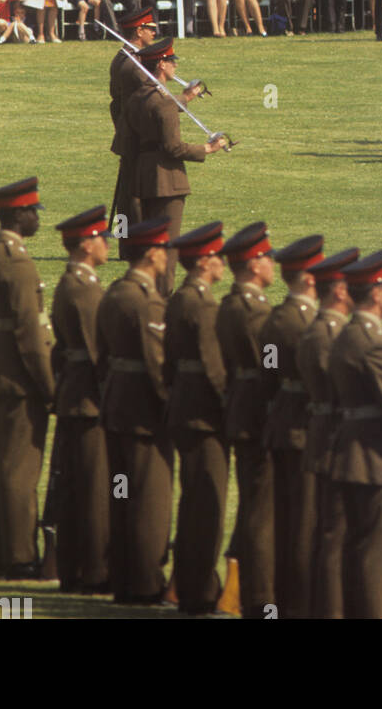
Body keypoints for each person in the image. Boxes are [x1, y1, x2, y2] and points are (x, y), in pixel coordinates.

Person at [0, 178, 54, 579]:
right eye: (32, 212)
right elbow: (30, 335)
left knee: (5, 463)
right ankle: (20, 555)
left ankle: (1, 551)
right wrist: (49, 386)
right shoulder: (18, 261)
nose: (35, 218)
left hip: (3, 374)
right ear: (18, 215)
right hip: (22, 379)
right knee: (20, 470)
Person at [96, 216, 173, 606]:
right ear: (154, 253)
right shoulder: (148, 301)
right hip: (144, 414)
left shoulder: (114, 292)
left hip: (115, 407)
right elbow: (157, 364)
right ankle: (144, 581)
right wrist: (170, 409)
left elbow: (100, 353)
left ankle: (123, 577)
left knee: (121, 495)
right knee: (149, 500)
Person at [327, 248, 382, 620]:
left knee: (358, 553)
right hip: (376, 460)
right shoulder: (374, 342)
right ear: (376, 292)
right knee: (377, 558)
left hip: (351, 455)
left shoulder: (347, 334)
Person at [163, 221, 229, 616]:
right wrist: (231, 407)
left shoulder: (179, 297)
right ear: (205, 262)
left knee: (193, 502)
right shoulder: (202, 303)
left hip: (183, 409)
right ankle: (199, 588)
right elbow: (213, 366)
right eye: (218, 257)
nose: (223, 264)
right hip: (205, 417)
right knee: (207, 506)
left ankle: (186, 584)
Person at [49, 207, 112, 596]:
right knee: (93, 490)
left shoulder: (71, 281)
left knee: (76, 487)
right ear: (87, 245)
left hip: (72, 393)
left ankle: (72, 569)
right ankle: (93, 571)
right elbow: (96, 353)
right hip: (89, 401)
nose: (108, 244)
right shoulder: (86, 288)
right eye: (102, 237)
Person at [259, 235, 323, 620]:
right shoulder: (305, 323)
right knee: (304, 524)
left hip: (282, 422)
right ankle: (300, 603)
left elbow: (268, 375)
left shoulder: (276, 318)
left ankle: (284, 599)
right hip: (304, 428)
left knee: (287, 521)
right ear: (311, 278)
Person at [217, 223, 276, 620]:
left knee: (254, 504)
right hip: (259, 416)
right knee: (260, 508)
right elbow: (270, 367)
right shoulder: (256, 311)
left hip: (240, 409)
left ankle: (237, 590)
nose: (273, 264)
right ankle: (251, 593)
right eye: (268, 257)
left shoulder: (228, 304)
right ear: (255, 264)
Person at [297, 248, 359, 619]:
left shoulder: (322, 329)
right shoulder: (327, 334)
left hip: (327, 437)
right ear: (339, 291)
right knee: (334, 535)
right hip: (333, 442)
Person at [125, 38, 222, 272]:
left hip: (143, 175)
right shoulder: (164, 102)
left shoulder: (136, 98)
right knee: (167, 250)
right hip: (168, 181)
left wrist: (186, 97)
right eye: (171, 61)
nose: (175, 66)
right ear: (161, 65)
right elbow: (174, 147)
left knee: (149, 245)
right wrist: (207, 149)